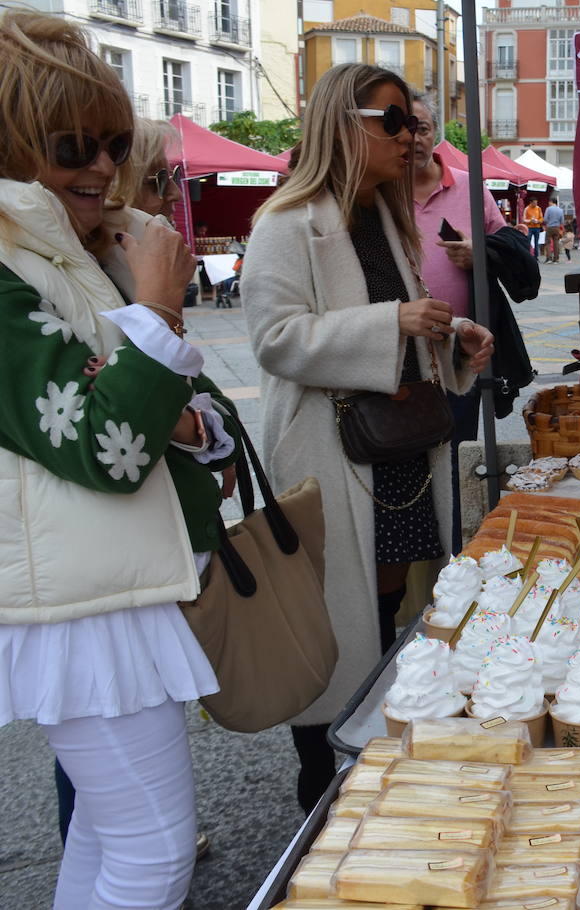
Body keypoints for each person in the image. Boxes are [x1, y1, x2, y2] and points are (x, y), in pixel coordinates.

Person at [0, 11, 240, 908]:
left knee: (110, 838)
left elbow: (177, 414)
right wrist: (161, 314)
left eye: (111, 141)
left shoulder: (69, 250)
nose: (104, 166)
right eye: (74, 146)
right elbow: (104, 446)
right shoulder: (10, 264)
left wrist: (184, 414)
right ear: (15, 143)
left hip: (104, 587)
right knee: (153, 852)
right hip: (80, 605)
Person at [241, 63, 494, 812]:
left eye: (412, 122)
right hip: (330, 455)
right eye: (393, 121)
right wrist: (394, 324)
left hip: (395, 454)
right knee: (332, 629)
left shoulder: (381, 216)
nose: (410, 135)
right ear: (342, 124)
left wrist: (453, 343)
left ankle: (372, 772)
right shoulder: (288, 222)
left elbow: (406, 332)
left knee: (382, 618)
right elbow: (275, 340)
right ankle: (321, 791)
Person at [408, 90, 507, 544]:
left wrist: (478, 253)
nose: (413, 139)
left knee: (454, 457)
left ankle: (453, 550)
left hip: (460, 356)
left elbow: (511, 250)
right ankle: (422, 549)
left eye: (422, 128)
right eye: (404, 129)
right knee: (406, 460)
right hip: (401, 358)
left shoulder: (470, 188)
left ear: (435, 135)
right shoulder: (376, 192)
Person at [543, 196, 564, 263]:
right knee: (556, 243)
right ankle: (556, 259)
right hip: (557, 228)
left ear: (551, 202)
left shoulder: (548, 209)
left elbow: (545, 219)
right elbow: (562, 221)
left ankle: (549, 258)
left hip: (549, 227)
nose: (549, 203)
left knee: (548, 242)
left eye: (549, 202)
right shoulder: (560, 210)